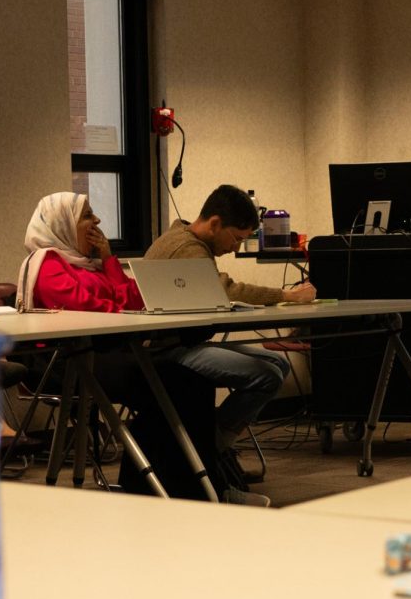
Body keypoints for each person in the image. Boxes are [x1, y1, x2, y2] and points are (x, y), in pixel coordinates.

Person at [16, 191, 258, 504]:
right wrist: (115, 303)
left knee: (193, 382)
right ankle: (180, 487)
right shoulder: (46, 263)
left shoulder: (88, 264)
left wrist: (107, 260)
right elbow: (83, 308)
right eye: (87, 215)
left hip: (105, 353)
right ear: (63, 223)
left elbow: (133, 296)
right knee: (175, 387)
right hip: (67, 362)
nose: (97, 220)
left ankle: (185, 485)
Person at [145, 184, 313, 452]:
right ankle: (213, 446)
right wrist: (286, 295)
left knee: (277, 363)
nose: (235, 248)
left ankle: (212, 442)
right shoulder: (188, 248)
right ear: (214, 224)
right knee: (267, 375)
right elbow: (225, 290)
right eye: (235, 238)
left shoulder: (179, 236)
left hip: (180, 342)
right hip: (167, 349)